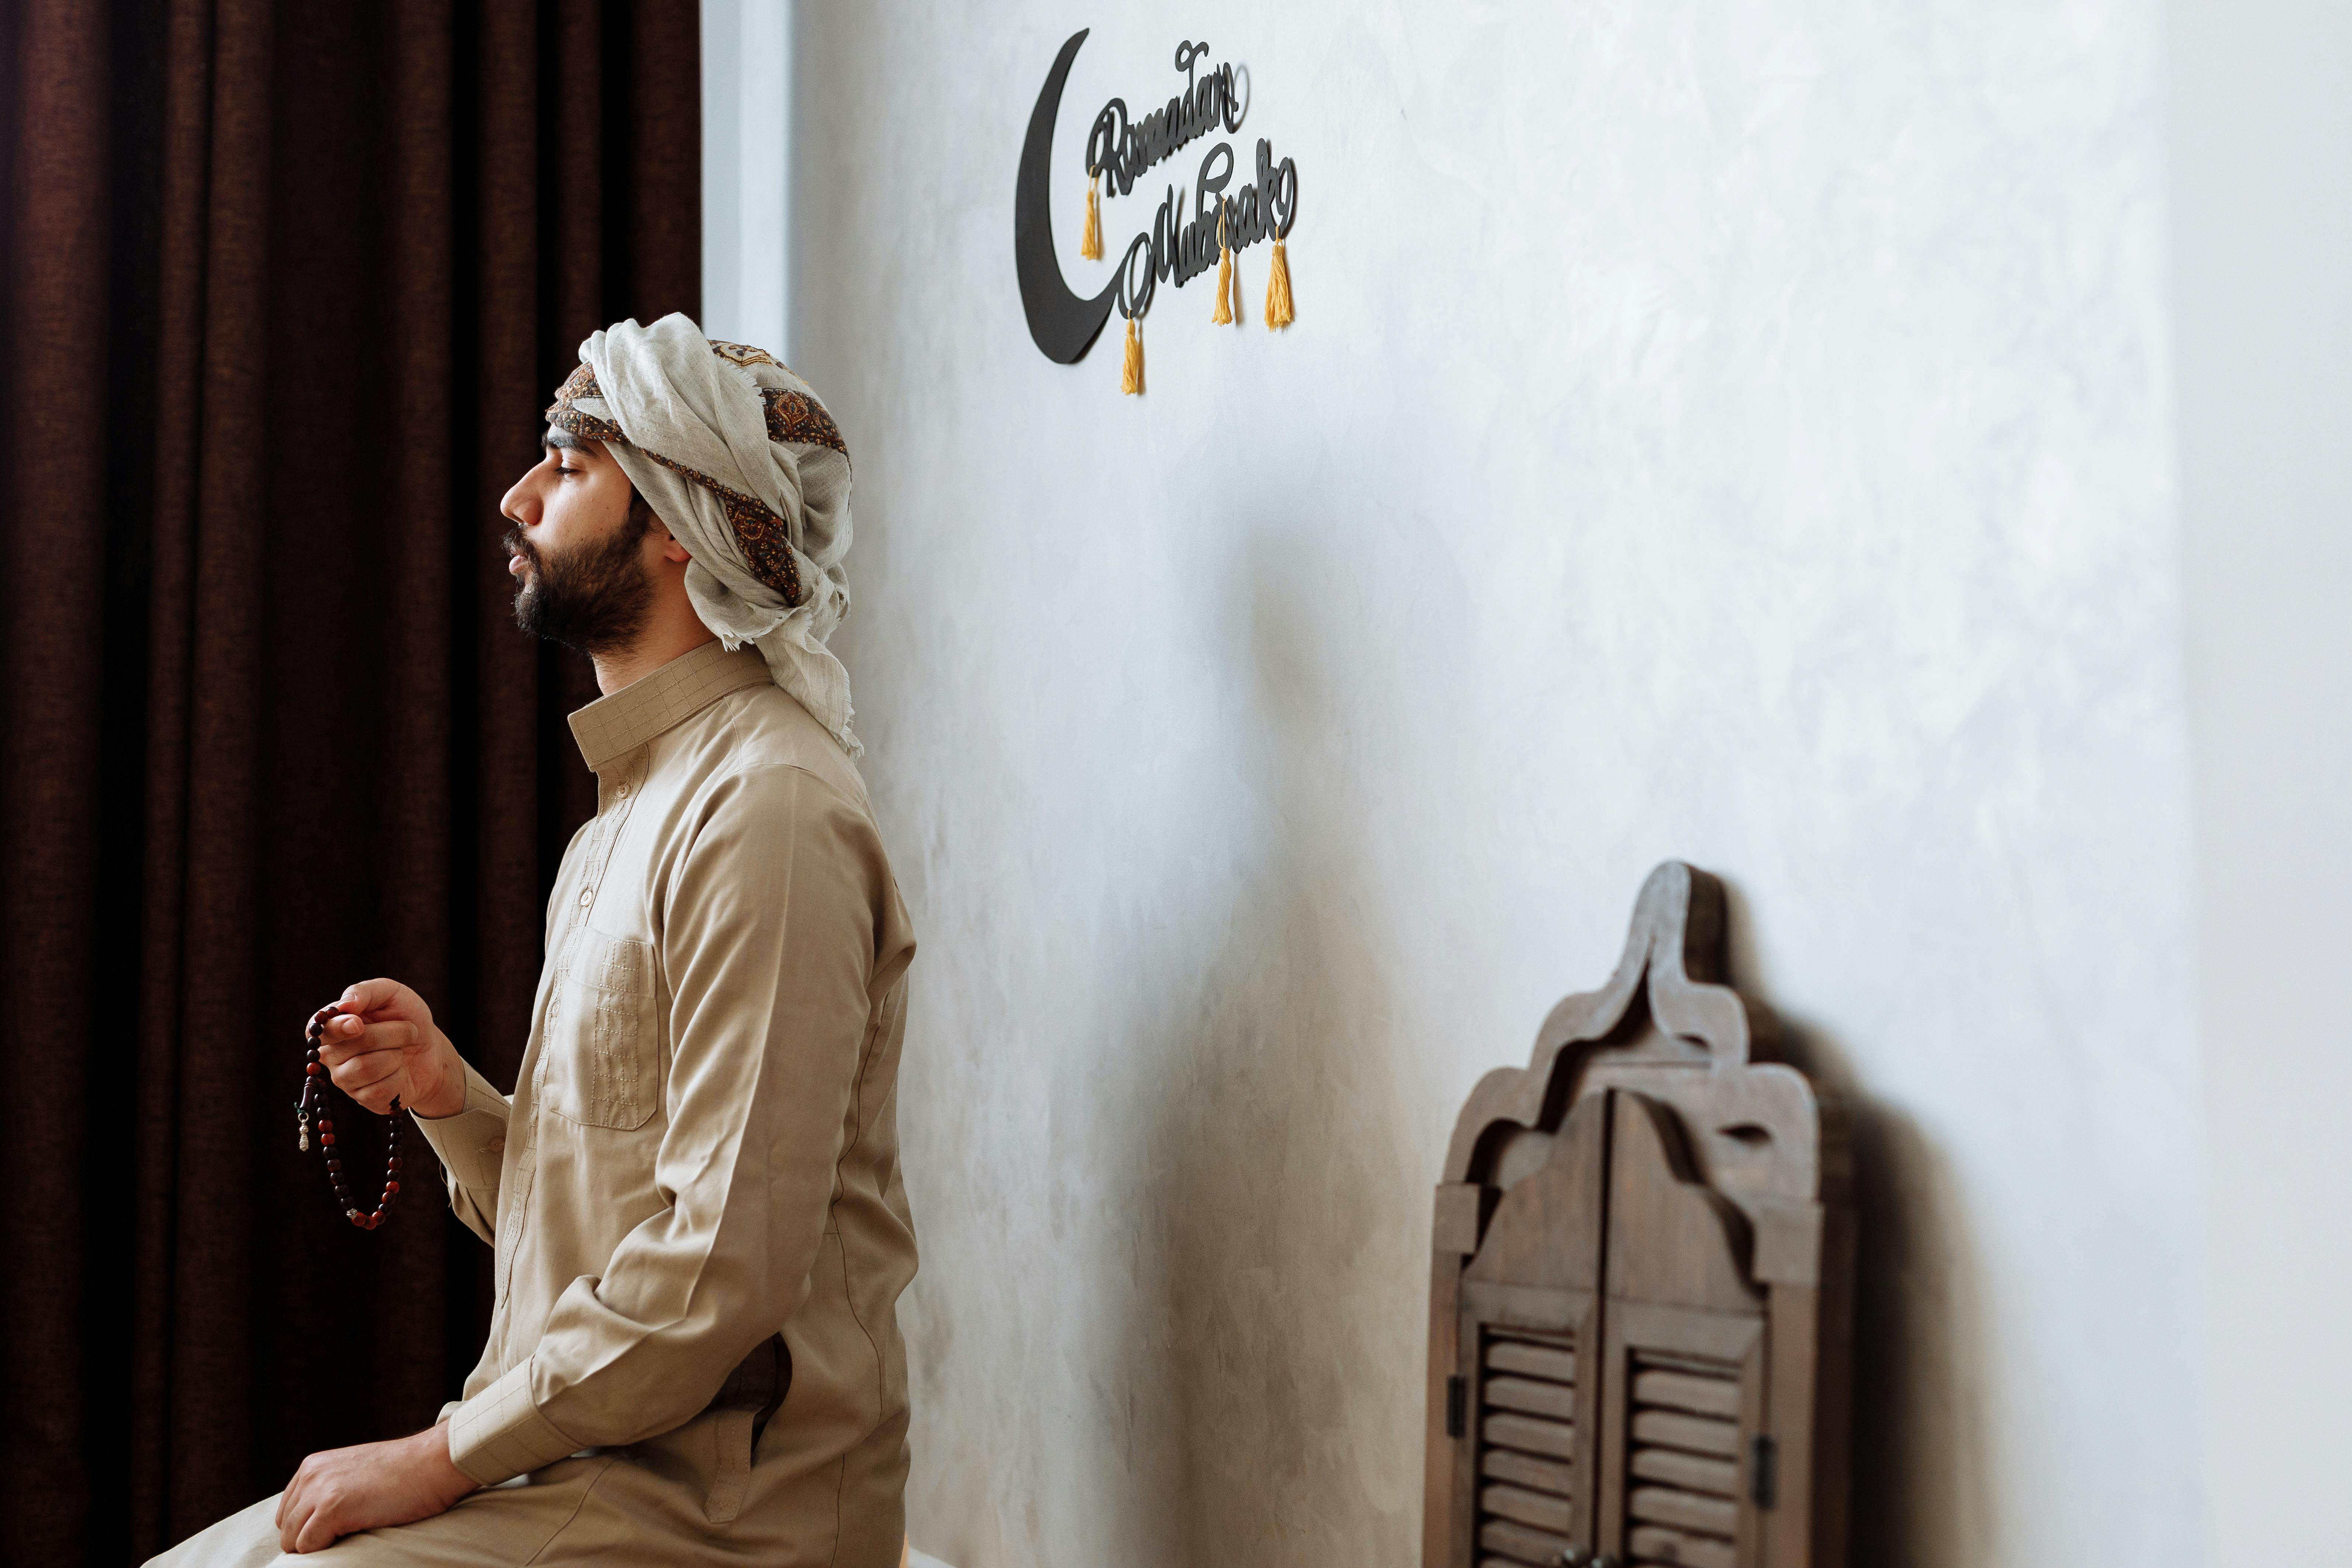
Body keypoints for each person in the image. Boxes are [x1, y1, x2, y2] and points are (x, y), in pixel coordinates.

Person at [151, 315, 918, 1566]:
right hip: (599, 1465)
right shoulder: (630, 818)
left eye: (567, 462)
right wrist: (448, 1095)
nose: (516, 497)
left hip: (726, 1511)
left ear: (680, 516)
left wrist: (436, 1454)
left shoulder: (768, 807)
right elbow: (612, 1233)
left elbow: (721, 1273)